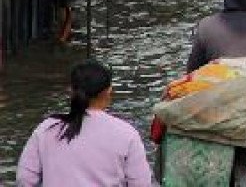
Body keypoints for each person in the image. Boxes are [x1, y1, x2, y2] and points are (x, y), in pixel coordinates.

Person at [17, 60, 150, 186]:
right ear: (109, 91)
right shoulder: (126, 134)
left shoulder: (47, 128)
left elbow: (25, 179)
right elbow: (141, 183)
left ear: (71, 91)